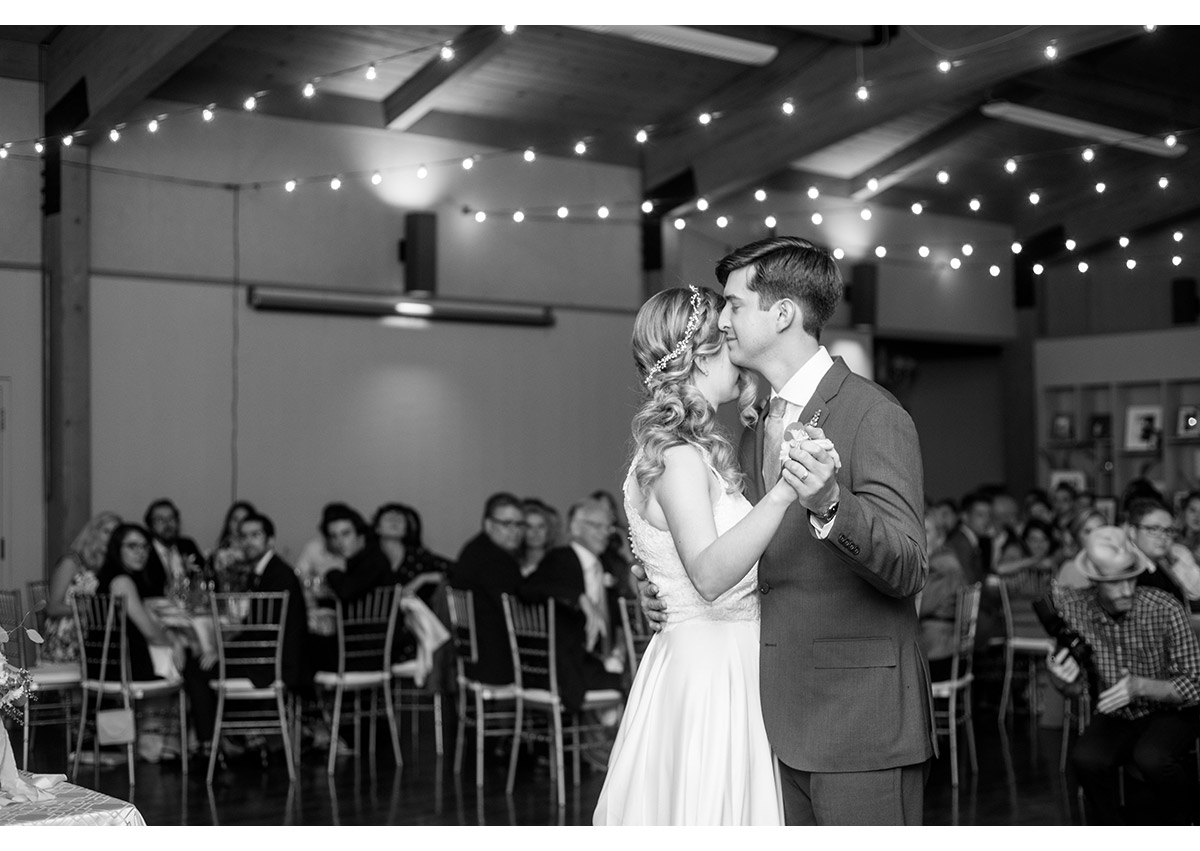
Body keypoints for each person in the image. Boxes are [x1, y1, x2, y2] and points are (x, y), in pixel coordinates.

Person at [595, 285, 807, 826]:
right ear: (705, 352)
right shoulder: (679, 457)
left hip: (708, 658)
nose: (738, 340)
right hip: (714, 671)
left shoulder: (678, 451)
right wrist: (785, 490)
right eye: (727, 331)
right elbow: (709, 576)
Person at [1047, 526, 1200, 825]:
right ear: (1095, 582)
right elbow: (1058, 659)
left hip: (1173, 710)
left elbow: (1194, 685)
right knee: (1085, 759)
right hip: (1118, 713)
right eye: (1114, 583)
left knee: (1151, 758)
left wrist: (1139, 687)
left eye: (1131, 579)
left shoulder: (1164, 607)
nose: (1127, 590)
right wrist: (1056, 669)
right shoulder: (1075, 609)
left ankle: (1187, 824)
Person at [185, 512, 310, 757]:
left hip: (273, 664)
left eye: (256, 535)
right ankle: (233, 737)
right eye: (244, 536)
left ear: (270, 540)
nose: (249, 542)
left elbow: (260, 632)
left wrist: (220, 651)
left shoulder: (277, 575)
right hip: (269, 657)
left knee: (195, 666)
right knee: (205, 662)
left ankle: (209, 745)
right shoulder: (268, 571)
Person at [521, 497, 626, 714]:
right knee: (638, 680)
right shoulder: (561, 558)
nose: (604, 532)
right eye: (596, 526)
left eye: (608, 527)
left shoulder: (605, 564)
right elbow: (527, 589)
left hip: (597, 658)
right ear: (575, 527)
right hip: (567, 668)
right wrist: (579, 597)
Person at [95, 523, 188, 761]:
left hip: (107, 662)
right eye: (132, 546)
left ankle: (162, 742)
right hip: (122, 666)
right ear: (118, 549)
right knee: (191, 666)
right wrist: (173, 644)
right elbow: (148, 630)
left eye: (145, 547)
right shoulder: (122, 581)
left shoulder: (113, 577)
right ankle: (173, 745)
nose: (141, 552)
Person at [447, 492, 526, 685]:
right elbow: (516, 615)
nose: (514, 531)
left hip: (471, 659)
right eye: (506, 524)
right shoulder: (496, 560)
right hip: (497, 661)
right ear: (488, 525)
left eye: (519, 524)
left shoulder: (474, 549)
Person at [41, 510, 121, 663]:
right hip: (68, 634)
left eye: (115, 533)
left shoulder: (111, 566)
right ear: (93, 533)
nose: (111, 537)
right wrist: (85, 609)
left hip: (96, 633)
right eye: (106, 531)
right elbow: (52, 608)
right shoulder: (71, 562)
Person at [918, 507, 968, 682]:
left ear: (940, 537)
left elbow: (919, 608)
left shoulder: (943, 567)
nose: (919, 535)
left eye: (926, 531)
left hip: (939, 655)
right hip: (944, 650)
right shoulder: (945, 561)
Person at [142, 498, 204, 601]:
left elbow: (203, 575)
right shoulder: (145, 550)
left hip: (189, 608)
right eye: (160, 519)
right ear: (150, 525)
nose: (167, 524)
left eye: (171, 518)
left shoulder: (187, 545)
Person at [294, 502, 350, 591]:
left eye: (345, 533)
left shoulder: (355, 550)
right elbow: (300, 573)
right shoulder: (313, 548)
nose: (340, 541)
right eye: (333, 535)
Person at [207, 499, 257, 591]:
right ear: (228, 522)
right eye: (235, 520)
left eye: (244, 520)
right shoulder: (218, 554)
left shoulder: (257, 553)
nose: (239, 525)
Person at [1057, 507, 1106, 589]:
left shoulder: (1121, 565)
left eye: (1100, 529)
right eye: (1088, 531)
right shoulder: (1070, 569)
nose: (1095, 535)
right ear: (1077, 537)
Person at [518, 499, 555, 578]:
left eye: (541, 526)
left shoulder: (559, 564)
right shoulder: (512, 566)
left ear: (548, 530)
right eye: (529, 527)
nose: (536, 532)